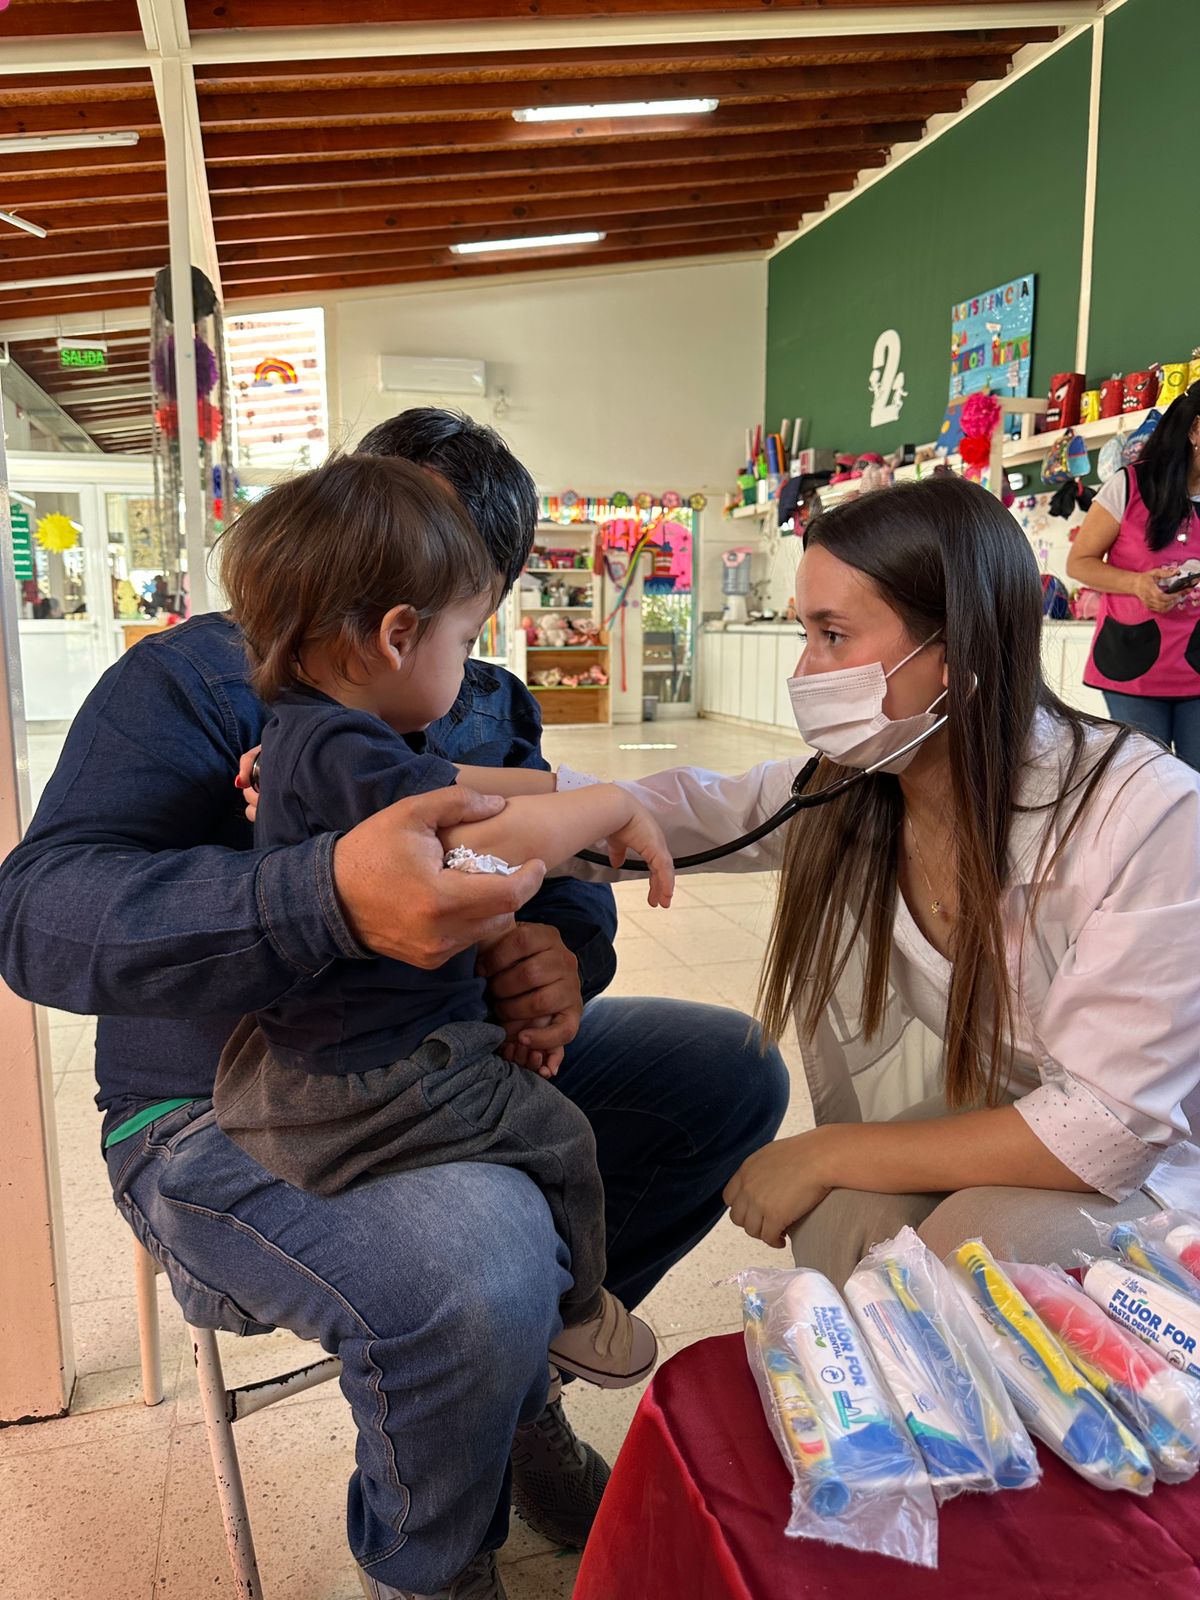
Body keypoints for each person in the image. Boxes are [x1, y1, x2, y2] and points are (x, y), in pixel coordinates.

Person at [0, 409, 789, 1600]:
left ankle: (512, 1391)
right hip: (210, 1114)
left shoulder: (484, 699)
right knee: (484, 1252)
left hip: (440, 1061)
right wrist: (315, 897)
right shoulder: (193, 677)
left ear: (482, 596)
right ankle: (433, 1560)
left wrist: (557, 960)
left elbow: (566, 888)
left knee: (726, 1073)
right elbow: (37, 915)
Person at [579, 476, 1200, 1284]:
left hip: (1156, 1159)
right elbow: (693, 810)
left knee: (974, 1249)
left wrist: (829, 1148)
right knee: (844, 1216)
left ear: (954, 651)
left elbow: (1107, 1129)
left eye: (833, 635)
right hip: (1021, 1109)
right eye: (805, 632)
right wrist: (501, 811)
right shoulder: (868, 782)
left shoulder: (1147, 815)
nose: (806, 670)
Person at [213, 452, 673, 1388]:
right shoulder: (348, 749)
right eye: (464, 642)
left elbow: (462, 784)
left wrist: (563, 789)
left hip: (311, 1058)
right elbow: (482, 831)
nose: (469, 668)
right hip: (369, 1078)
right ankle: (579, 1315)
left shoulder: (311, 729)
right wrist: (609, 804)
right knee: (561, 1137)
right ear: (396, 636)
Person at [1067, 382, 1200, 770]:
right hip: (1133, 664)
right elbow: (1079, 562)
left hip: (1196, 664)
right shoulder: (1129, 485)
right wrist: (1137, 584)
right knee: (1147, 781)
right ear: (1195, 430)